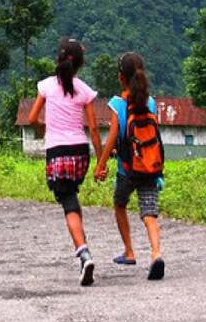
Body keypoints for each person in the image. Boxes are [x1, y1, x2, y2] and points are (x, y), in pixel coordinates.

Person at [29, 37, 103, 286]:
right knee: (72, 196)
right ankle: (82, 243)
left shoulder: (47, 86)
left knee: (68, 202)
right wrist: (101, 160)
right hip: (80, 152)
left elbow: (31, 118)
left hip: (58, 153)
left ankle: (84, 253)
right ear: (80, 63)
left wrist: (44, 127)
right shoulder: (84, 90)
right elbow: (93, 128)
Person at [94, 51, 165, 280]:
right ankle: (156, 254)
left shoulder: (117, 103)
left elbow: (113, 138)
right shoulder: (151, 102)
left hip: (128, 170)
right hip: (150, 168)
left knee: (119, 203)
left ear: (121, 78)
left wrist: (100, 166)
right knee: (149, 213)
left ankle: (130, 251)